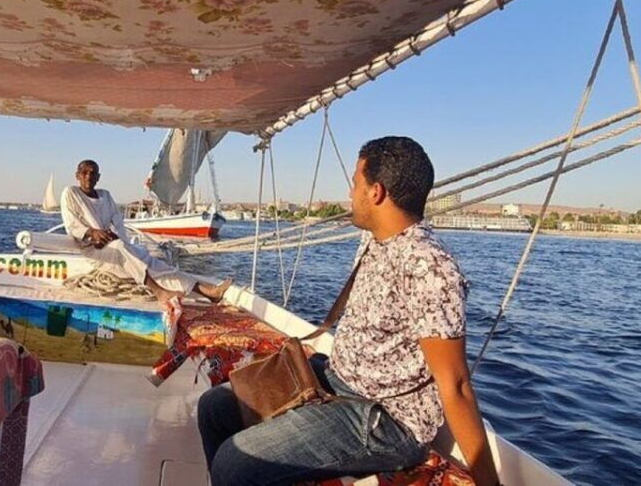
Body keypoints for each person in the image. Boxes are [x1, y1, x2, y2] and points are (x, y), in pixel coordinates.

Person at [197, 137, 501, 486]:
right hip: (338, 379)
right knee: (214, 408)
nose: (349, 194)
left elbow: (457, 384)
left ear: (376, 192)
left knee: (235, 465)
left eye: (355, 183)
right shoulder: (375, 239)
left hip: (387, 420)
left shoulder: (429, 267)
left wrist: (489, 483)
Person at [61, 159, 231, 304]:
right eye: (84, 173)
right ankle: (159, 292)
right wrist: (93, 233)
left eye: (92, 173)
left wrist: (117, 237)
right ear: (77, 175)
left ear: (98, 177)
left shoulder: (105, 195)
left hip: (111, 244)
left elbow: (118, 221)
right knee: (121, 248)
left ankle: (208, 292)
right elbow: (72, 225)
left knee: (153, 262)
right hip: (92, 250)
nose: (88, 177)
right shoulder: (70, 193)